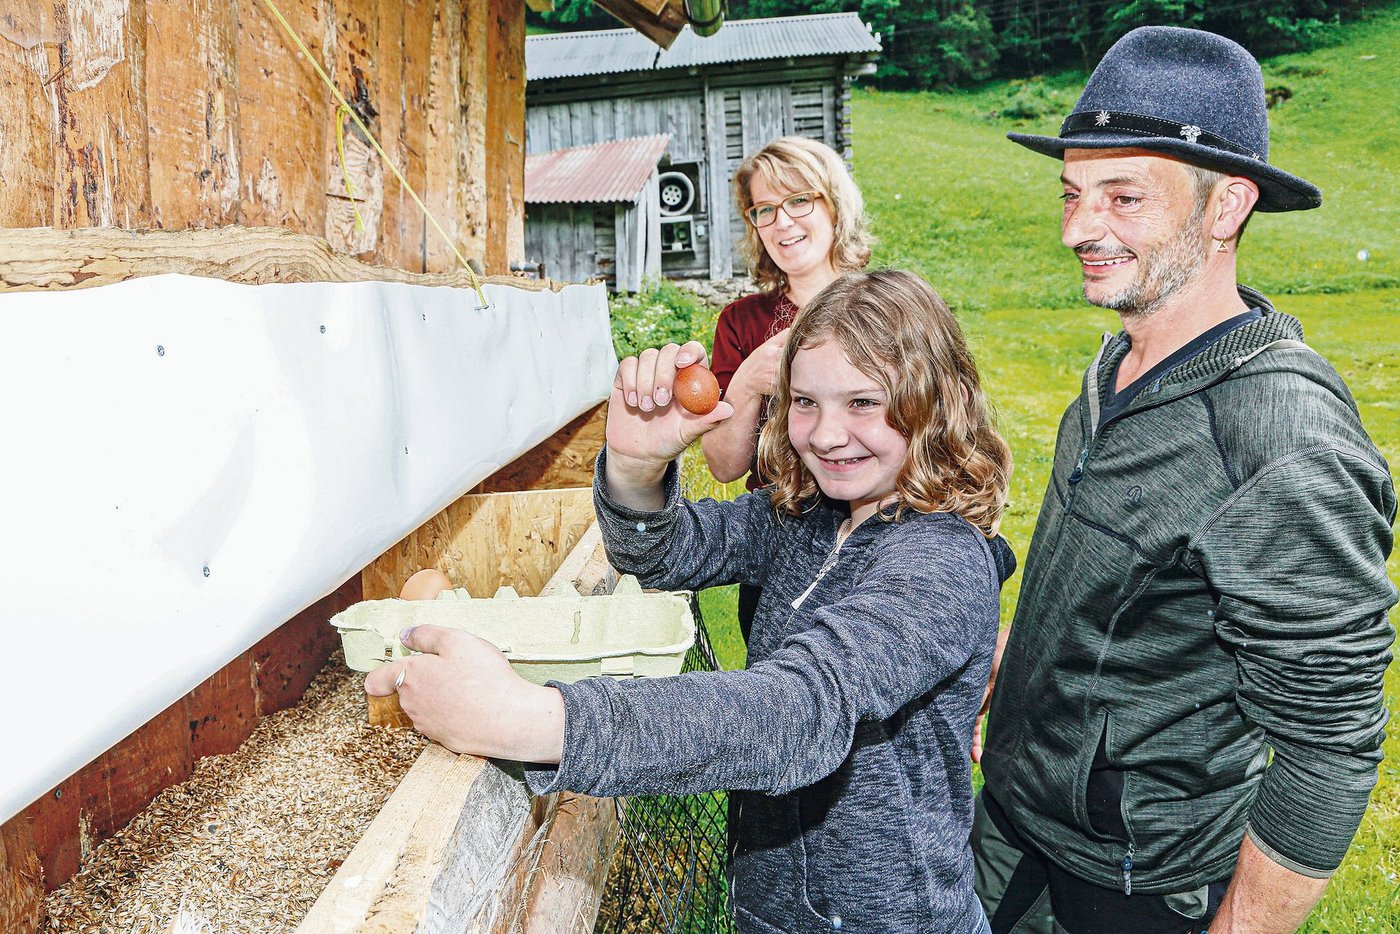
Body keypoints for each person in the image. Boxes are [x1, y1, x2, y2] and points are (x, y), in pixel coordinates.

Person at [367, 269, 1016, 933]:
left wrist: (524, 719)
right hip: (770, 908)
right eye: (804, 402)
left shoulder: (941, 562)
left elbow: (797, 713)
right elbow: (664, 553)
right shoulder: (810, 515)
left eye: (863, 403)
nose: (825, 434)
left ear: (937, 401)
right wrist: (635, 467)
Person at [973, 26, 1397, 934]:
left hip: (1136, 879)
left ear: (1226, 206)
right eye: (1073, 193)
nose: (1078, 229)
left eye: (1123, 197)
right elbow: (1121, 587)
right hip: (1013, 818)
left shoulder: (1281, 442)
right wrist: (1031, 654)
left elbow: (1330, 744)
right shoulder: (1120, 362)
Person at [701, 137, 872, 640]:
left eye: (799, 200)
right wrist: (749, 380)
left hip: (875, 538)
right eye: (765, 210)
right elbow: (724, 467)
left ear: (834, 205)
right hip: (778, 541)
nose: (783, 222)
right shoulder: (742, 322)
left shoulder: (884, 306)